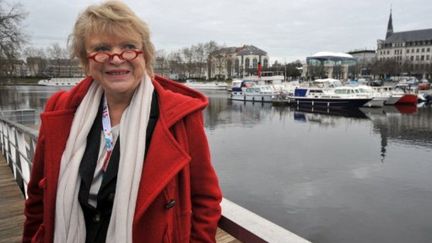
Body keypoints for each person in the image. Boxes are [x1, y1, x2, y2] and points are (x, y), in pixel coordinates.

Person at [22, 1, 222, 242]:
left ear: (145, 55)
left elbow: (205, 200)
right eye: (102, 48)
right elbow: (37, 199)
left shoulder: (180, 117)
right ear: (87, 60)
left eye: (129, 47)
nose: (116, 59)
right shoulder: (63, 110)